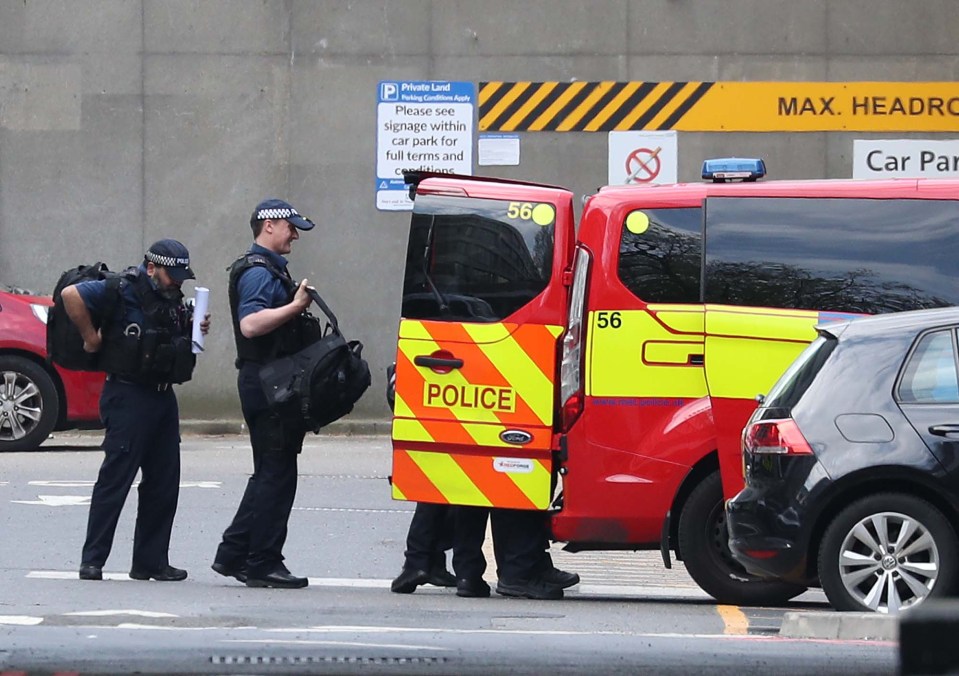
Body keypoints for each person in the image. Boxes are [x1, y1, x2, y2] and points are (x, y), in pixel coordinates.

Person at [63, 239, 209, 582]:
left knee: (163, 483)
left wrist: (194, 329)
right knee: (116, 480)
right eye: (171, 275)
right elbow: (72, 296)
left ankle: (150, 561)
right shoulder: (122, 289)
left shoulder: (174, 300)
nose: (176, 282)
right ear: (151, 268)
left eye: (180, 276)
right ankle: (93, 560)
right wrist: (90, 337)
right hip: (127, 395)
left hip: (162, 396)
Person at [213, 198, 318, 589]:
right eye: (291, 227)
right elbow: (251, 325)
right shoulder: (258, 273)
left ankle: (235, 553)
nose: (294, 234)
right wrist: (295, 307)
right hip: (267, 384)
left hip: (268, 382)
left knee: (270, 474)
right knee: (276, 475)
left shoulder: (268, 269)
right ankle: (263, 562)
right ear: (269, 225)